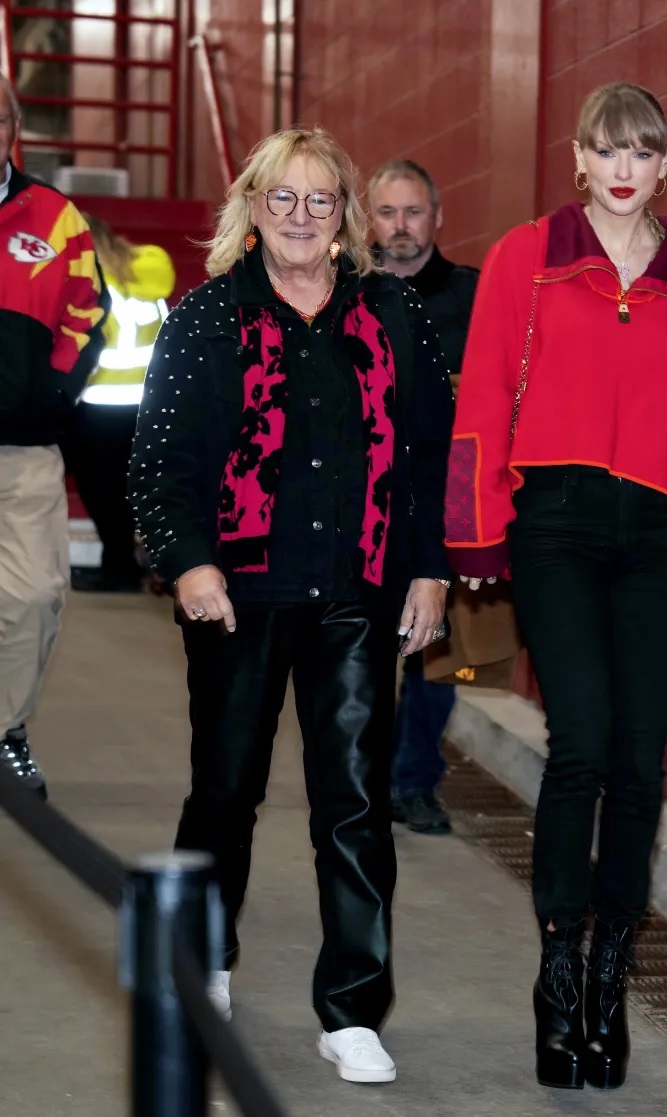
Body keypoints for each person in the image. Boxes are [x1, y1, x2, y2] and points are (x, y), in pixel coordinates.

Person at [444, 83, 667, 1092]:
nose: (625, 167)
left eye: (644, 150)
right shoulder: (528, 257)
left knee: (639, 764)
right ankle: (557, 975)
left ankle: (609, 979)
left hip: (663, 542)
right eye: (608, 149)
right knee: (582, 744)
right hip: (556, 527)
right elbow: (479, 389)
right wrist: (474, 532)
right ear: (581, 159)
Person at [129, 126, 453, 1084]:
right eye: (284, 199)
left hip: (359, 592)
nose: (302, 217)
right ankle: (204, 964)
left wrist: (429, 568)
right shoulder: (207, 317)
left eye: (321, 200)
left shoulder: (393, 313)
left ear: (344, 216)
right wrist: (189, 564)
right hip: (238, 594)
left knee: (353, 802)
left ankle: (353, 1009)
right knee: (225, 789)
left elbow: (432, 454)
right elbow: (160, 458)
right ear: (252, 208)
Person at [0, 71, 109, 799]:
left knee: (35, 596)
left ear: (8, 127)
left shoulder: (54, 218)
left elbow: (90, 312)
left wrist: (52, 392)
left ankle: (5, 727)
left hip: (23, 449)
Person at [369, 159, 478, 835]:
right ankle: (365, 781)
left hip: (450, 504)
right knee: (364, 652)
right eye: (387, 212)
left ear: (437, 219)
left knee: (441, 656)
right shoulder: (345, 294)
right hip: (370, 504)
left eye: (414, 212)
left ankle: (414, 781)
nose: (401, 226)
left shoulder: (479, 296)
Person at [62, 214, 175, 593]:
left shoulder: (84, 282)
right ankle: (134, 564)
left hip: (97, 407)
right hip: (151, 404)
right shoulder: (150, 267)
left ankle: (119, 568)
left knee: (103, 493)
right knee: (138, 490)